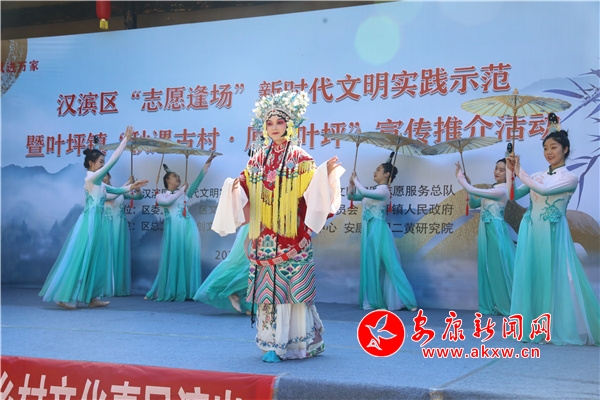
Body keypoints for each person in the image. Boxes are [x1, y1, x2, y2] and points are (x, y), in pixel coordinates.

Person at [212, 90, 344, 362]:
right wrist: (234, 187)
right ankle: (272, 342)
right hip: (264, 235)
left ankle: (296, 343)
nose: (274, 127)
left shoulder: (300, 157)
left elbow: (312, 194)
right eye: (269, 123)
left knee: (291, 291)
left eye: (279, 122)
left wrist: (325, 175)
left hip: (292, 233)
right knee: (269, 291)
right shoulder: (256, 159)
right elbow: (246, 190)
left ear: (289, 125)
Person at [506, 128, 599, 345]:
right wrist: (511, 173)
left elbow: (545, 191)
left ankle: (559, 325)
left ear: (565, 149)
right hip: (531, 229)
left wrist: (520, 170)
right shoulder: (536, 175)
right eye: (546, 148)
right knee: (531, 275)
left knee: (559, 276)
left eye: (553, 147)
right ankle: (532, 326)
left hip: (553, 231)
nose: (549, 152)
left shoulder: (570, 177)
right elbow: (512, 195)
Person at [39, 127, 149, 309]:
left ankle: (92, 297)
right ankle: (65, 297)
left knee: (97, 258)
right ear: (91, 163)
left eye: (103, 162)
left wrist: (132, 186)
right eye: (100, 162)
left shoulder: (100, 183)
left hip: (99, 222)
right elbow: (112, 162)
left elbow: (115, 191)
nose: (103, 165)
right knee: (83, 257)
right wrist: (124, 141)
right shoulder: (91, 178)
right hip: (89, 222)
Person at [348, 153, 417, 311]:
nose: (375, 172)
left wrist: (357, 180)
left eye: (378, 170)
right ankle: (374, 300)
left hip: (379, 231)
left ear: (386, 174)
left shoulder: (384, 191)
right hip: (369, 231)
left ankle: (408, 300)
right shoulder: (375, 190)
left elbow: (364, 192)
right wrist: (352, 184)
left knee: (391, 265)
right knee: (371, 265)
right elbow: (352, 196)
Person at [145, 153, 217, 302]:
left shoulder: (183, 194)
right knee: (172, 258)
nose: (178, 178)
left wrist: (206, 165)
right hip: (173, 231)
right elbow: (168, 202)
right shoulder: (161, 196)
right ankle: (169, 290)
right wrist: (180, 190)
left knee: (188, 257)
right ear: (167, 180)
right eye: (174, 176)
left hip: (188, 228)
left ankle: (188, 291)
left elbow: (197, 182)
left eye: (178, 176)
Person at [455, 159, 515, 315]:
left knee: (497, 267)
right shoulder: (493, 189)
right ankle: (492, 303)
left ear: (509, 173)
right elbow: (474, 204)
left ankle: (505, 303)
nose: (497, 172)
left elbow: (473, 190)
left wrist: (462, 180)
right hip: (486, 229)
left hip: (495, 230)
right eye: (496, 168)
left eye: (502, 170)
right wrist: (468, 186)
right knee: (487, 266)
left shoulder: (503, 190)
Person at [193, 223, 253, 314]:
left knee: (250, 265)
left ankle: (248, 303)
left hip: (263, 226)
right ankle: (228, 288)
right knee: (249, 265)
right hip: (258, 226)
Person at [103, 173, 143, 296]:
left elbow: (138, 197)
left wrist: (137, 189)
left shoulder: (120, 191)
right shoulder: (100, 192)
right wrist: (128, 184)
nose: (103, 178)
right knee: (108, 254)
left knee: (119, 253)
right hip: (107, 226)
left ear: (110, 177)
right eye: (101, 176)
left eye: (105, 175)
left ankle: (118, 286)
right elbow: (115, 194)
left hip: (120, 226)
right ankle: (105, 286)